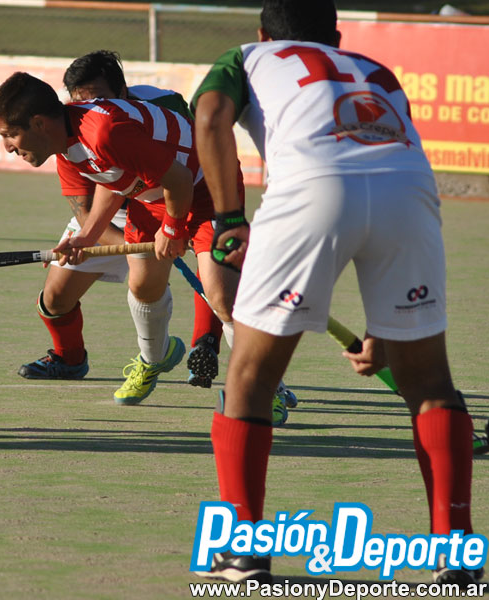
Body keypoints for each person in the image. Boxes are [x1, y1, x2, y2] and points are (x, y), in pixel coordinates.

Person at [191, 0, 479, 585]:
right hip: (411, 194)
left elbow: (211, 116)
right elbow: (383, 163)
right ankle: (457, 555)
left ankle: (242, 550)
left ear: (264, 33)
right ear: (338, 36)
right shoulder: (375, 69)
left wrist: (228, 220)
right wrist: (383, 330)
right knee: (430, 383)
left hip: (310, 190)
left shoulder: (244, 57)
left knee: (251, 377)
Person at [0, 71, 228, 406]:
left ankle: (263, 385)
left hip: (204, 185)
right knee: (139, 286)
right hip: (146, 198)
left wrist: (172, 230)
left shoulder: (105, 130)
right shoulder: (66, 146)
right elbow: (110, 181)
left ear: (39, 123)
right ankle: (148, 359)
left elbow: (180, 177)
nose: (8, 147)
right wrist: (89, 237)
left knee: (220, 291)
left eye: (10, 135)